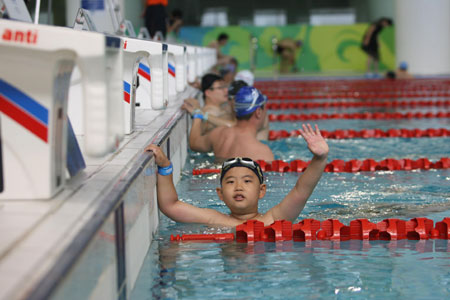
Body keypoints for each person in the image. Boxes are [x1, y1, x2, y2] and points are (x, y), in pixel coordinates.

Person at [144, 123, 329, 227]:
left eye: (247, 181)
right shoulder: (214, 219)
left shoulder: (274, 218)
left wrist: (319, 159)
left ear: (261, 191)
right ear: (220, 193)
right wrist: (165, 167)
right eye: (230, 182)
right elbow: (170, 205)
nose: (239, 187)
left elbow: (301, 191)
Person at [187, 86, 274, 162]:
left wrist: (197, 115)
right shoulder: (262, 153)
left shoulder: (218, 133)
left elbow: (194, 143)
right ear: (258, 112)